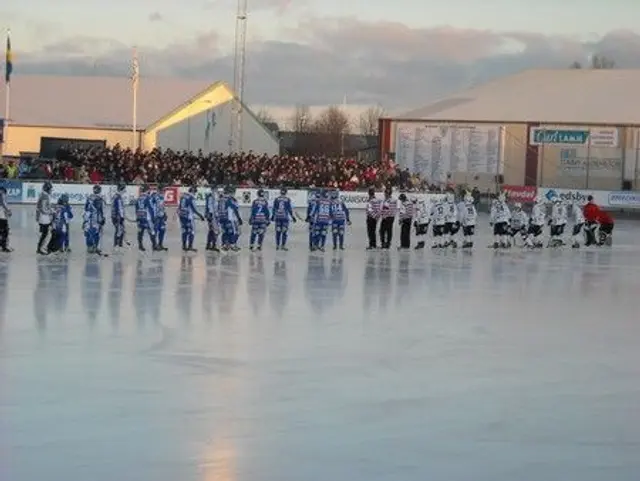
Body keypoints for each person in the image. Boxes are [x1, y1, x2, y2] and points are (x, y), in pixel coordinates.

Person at [178, 186, 205, 252]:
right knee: (192, 231)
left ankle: (184, 246)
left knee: (184, 230)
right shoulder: (191, 198)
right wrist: (201, 216)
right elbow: (194, 209)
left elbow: (179, 206)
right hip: (188, 217)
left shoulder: (183, 196)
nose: (195, 194)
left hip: (182, 216)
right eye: (195, 192)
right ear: (193, 191)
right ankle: (190, 246)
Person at [84, 184, 106, 253]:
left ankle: (90, 246)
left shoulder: (89, 197)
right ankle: (94, 246)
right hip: (95, 218)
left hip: (88, 218)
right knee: (96, 232)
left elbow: (85, 208)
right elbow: (101, 210)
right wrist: (102, 218)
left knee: (89, 232)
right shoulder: (100, 198)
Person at [136, 185, 157, 251]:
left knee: (140, 232)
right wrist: (153, 218)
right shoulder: (148, 197)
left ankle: (140, 245)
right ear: (148, 190)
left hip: (140, 216)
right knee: (152, 231)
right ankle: (154, 245)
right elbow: (151, 209)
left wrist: (137, 217)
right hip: (147, 218)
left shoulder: (139, 198)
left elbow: (136, 208)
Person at [36, 181, 54, 255]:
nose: (51, 190)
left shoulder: (43, 194)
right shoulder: (45, 196)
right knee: (45, 234)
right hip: (44, 217)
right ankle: (41, 248)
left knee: (45, 233)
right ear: (47, 189)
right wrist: (51, 212)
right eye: (50, 189)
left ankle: (40, 247)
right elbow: (43, 208)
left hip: (43, 216)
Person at [152, 185, 168, 251]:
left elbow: (162, 206)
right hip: (156, 216)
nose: (164, 191)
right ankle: (155, 245)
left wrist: (165, 213)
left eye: (164, 190)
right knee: (155, 231)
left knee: (162, 230)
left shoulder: (160, 196)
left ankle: (160, 244)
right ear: (159, 190)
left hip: (160, 216)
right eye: (163, 190)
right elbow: (159, 206)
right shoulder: (156, 196)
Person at [111, 183, 127, 248]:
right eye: (124, 189)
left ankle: (119, 244)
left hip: (114, 216)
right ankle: (117, 244)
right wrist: (122, 217)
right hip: (117, 217)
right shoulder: (118, 197)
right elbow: (120, 208)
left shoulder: (115, 196)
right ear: (121, 189)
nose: (125, 190)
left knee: (121, 229)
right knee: (119, 230)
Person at [204, 185, 220, 251]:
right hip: (212, 215)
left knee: (211, 230)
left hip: (212, 215)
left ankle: (208, 244)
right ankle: (213, 245)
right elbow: (209, 206)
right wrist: (209, 214)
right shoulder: (212, 196)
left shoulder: (213, 196)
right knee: (215, 230)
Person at [0, 185, 12, 252]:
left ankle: (2, 245)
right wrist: (9, 211)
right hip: (2, 216)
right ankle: (4, 247)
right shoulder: (2, 195)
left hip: (2, 216)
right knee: (5, 232)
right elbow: (4, 204)